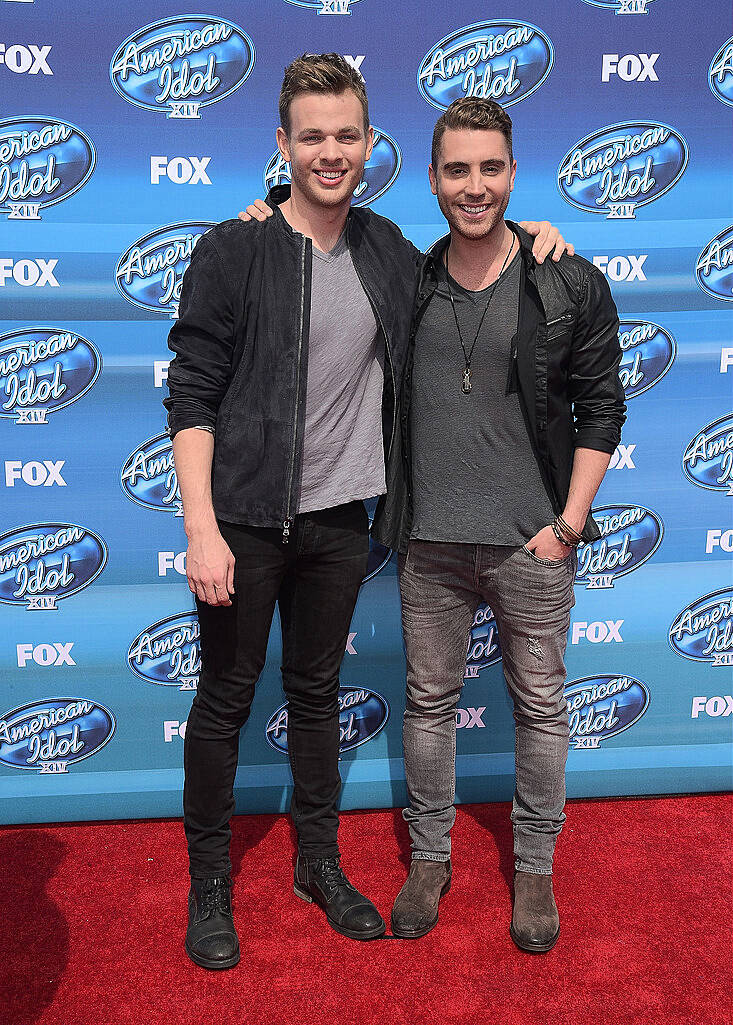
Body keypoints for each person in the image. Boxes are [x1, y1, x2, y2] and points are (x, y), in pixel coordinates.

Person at [166, 54, 570, 969]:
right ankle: (210, 885)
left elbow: (479, 261)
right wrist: (199, 527)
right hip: (241, 516)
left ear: (367, 143)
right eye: (311, 137)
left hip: (343, 520)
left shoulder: (389, 250)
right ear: (283, 145)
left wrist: (541, 234)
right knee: (226, 700)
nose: (330, 152)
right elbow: (191, 396)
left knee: (314, 695)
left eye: (345, 135)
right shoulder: (234, 247)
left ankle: (317, 862)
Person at [372, 97, 626, 953]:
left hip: (532, 544)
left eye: (489, 168)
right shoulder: (405, 276)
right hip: (429, 544)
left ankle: (533, 870)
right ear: (433, 177)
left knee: (542, 708)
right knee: (427, 701)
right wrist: (262, 206)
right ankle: (430, 860)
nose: (473, 186)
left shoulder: (565, 278)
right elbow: (308, 225)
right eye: (456, 169)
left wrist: (566, 524)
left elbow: (601, 409)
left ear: (513, 174)